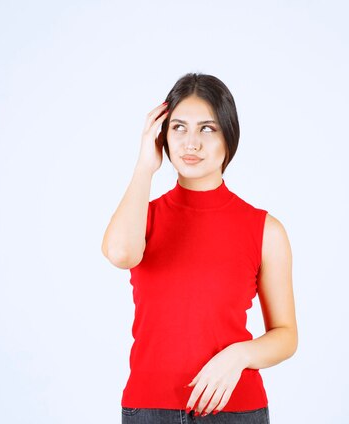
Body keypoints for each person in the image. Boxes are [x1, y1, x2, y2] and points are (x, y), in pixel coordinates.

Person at [101, 72, 297, 424]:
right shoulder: (143, 217)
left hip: (235, 411)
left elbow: (286, 335)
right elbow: (119, 254)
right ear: (162, 135)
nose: (191, 143)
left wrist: (239, 355)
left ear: (228, 137)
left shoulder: (265, 230)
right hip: (149, 411)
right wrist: (146, 166)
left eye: (207, 129)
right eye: (178, 128)